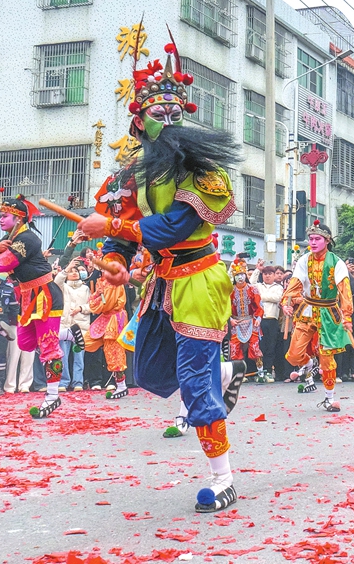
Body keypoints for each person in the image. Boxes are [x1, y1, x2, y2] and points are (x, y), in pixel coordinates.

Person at [76, 27, 246, 513]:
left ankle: (223, 478)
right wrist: (115, 263)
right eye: (158, 112)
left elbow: (172, 228)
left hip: (199, 278)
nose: (169, 119)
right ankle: (224, 367)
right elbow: (122, 233)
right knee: (151, 372)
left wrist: (111, 227)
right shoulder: (132, 174)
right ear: (139, 123)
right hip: (160, 283)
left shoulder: (203, 170)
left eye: (176, 112)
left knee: (193, 384)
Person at [0, 195, 66, 417]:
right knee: (27, 343)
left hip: (45, 295)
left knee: (48, 347)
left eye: (5, 216)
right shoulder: (11, 239)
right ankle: (67, 333)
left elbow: (1, 265)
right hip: (27, 296)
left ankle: (52, 395)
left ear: (18, 218)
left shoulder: (27, 239)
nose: (0, 219)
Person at [282, 220, 354, 410]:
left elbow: (344, 291)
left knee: (327, 357)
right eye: (311, 239)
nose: (312, 242)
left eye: (317, 239)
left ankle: (330, 398)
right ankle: (308, 362)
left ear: (327, 240)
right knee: (293, 355)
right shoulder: (304, 260)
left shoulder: (336, 263)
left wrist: (347, 316)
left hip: (329, 313)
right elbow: (295, 283)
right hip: (307, 310)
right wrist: (286, 303)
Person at [86, 269, 129, 398]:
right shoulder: (102, 282)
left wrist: (97, 298)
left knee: (114, 352)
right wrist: (97, 295)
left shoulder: (114, 283)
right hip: (105, 317)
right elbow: (97, 304)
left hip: (114, 319)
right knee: (87, 341)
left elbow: (105, 305)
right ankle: (68, 335)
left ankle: (121, 386)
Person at [227, 258, 264, 381]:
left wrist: (258, 318)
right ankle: (239, 375)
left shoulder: (252, 289)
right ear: (234, 277)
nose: (240, 278)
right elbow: (225, 307)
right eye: (237, 275)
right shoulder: (230, 291)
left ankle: (261, 373)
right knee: (235, 348)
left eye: (242, 275)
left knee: (254, 347)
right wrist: (230, 319)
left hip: (251, 321)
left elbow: (260, 306)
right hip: (236, 322)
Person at [56, 261, 90, 392]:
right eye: (71, 271)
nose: (74, 273)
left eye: (76, 271)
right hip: (65, 325)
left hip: (81, 326)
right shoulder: (63, 287)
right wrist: (66, 268)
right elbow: (57, 281)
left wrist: (81, 308)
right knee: (63, 356)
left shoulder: (85, 288)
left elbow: (91, 306)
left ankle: (78, 382)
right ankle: (63, 382)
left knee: (79, 357)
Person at [254, 265, 285, 383]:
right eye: (265, 273)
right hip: (259, 320)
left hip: (272, 320)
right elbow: (250, 284)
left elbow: (277, 298)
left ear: (273, 275)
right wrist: (257, 270)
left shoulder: (278, 287)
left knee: (271, 346)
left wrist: (260, 297)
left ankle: (268, 371)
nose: (267, 276)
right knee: (260, 346)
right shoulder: (258, 286)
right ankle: (260, 371)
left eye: (270, 274)